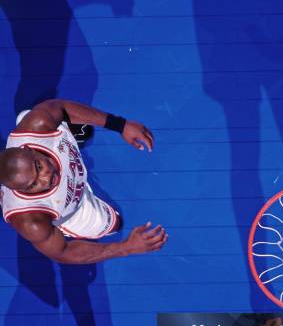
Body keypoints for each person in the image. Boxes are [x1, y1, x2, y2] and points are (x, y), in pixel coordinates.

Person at [0, 99, 168, 264]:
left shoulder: (38, 126)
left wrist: (121, 125)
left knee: (42, 114)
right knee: (114, 224)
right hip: (74, 208)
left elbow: (62, 107)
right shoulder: (32, 220)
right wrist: (127, 247)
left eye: (38, 166)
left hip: (47, 138)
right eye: (34, 185)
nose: (47, 178)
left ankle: (58, 133)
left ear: (29, 149)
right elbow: (63, 252)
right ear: (22, 191)